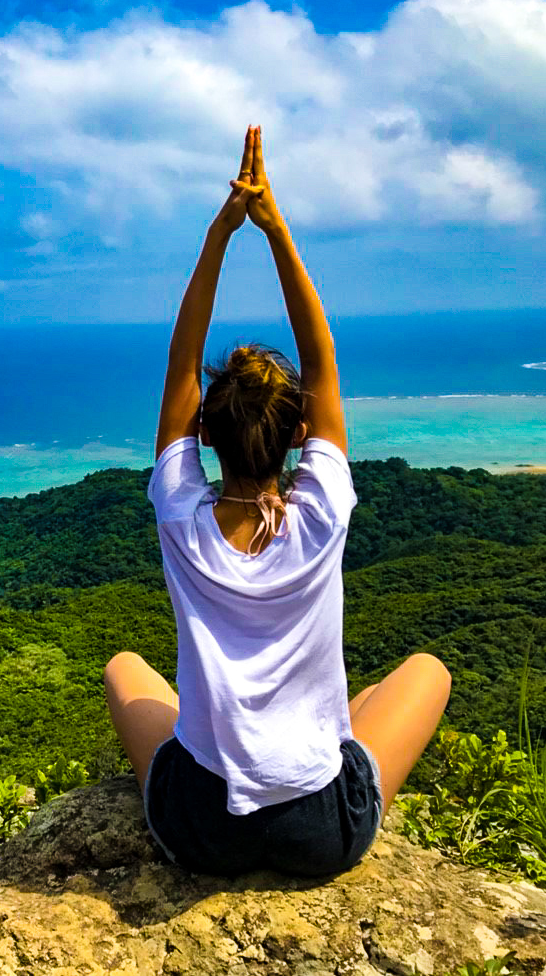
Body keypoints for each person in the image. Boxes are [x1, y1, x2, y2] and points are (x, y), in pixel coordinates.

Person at [104, 125, 451, 877]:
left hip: (202, 829)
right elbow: (322, 362)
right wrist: (275, 228)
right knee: (426, 672)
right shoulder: (322, 509)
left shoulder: (180, 515)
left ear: (203, 431)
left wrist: (219, 236)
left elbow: (179, 368)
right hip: (318, 832)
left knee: (125, 667)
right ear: (299, 434)